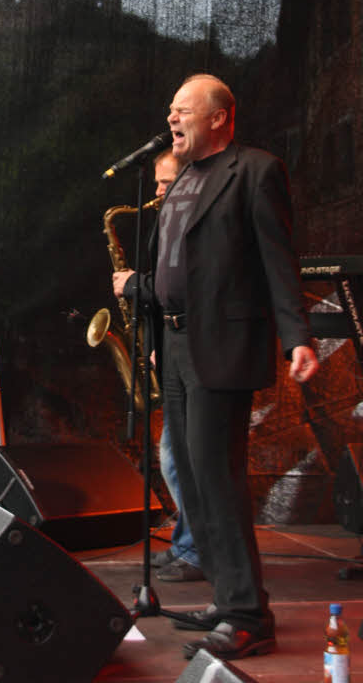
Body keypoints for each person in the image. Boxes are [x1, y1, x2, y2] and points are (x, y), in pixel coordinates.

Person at [113, 73, 318, 661]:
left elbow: (280, 261)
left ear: (219, 118)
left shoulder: (253, 170)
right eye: (170, 109)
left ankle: (250, 616)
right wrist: (149, 315)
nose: (171, 119)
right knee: (195, 483)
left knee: (218, 481)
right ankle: (229, 599)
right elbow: (178, 270)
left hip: (221, 348)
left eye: (183, 110)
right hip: (175, 347)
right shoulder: (181, 182)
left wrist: (295, 337)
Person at [148, 149, 204, 583]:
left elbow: (191, 283)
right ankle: (187, 540)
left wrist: (136, 285)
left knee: (182, 458)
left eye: (165, 183)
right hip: (172, 346)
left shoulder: (196, 223)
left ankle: (196, 548)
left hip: (199, 350)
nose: (158, 192)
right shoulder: (167, 223)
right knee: (174, 456)